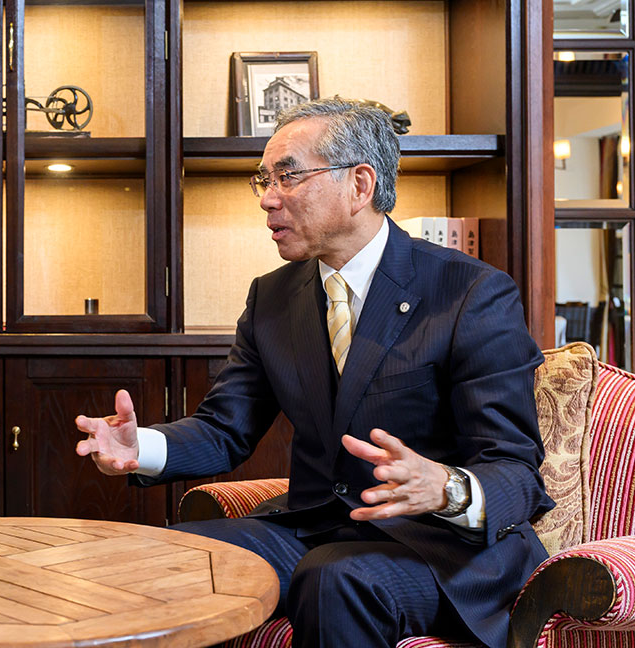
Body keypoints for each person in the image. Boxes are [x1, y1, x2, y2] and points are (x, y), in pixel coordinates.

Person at [74, 98, 552, 648]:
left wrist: (443, 487)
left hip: (442, 550)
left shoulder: (470, 292)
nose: (267, 198)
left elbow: (516, 470)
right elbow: (225, 429)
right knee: (176, 556)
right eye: (264, 179)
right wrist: (141, 447)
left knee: (332, 579)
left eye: (288, 176)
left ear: (359, 185)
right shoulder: (273, 297)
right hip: (315, 530)